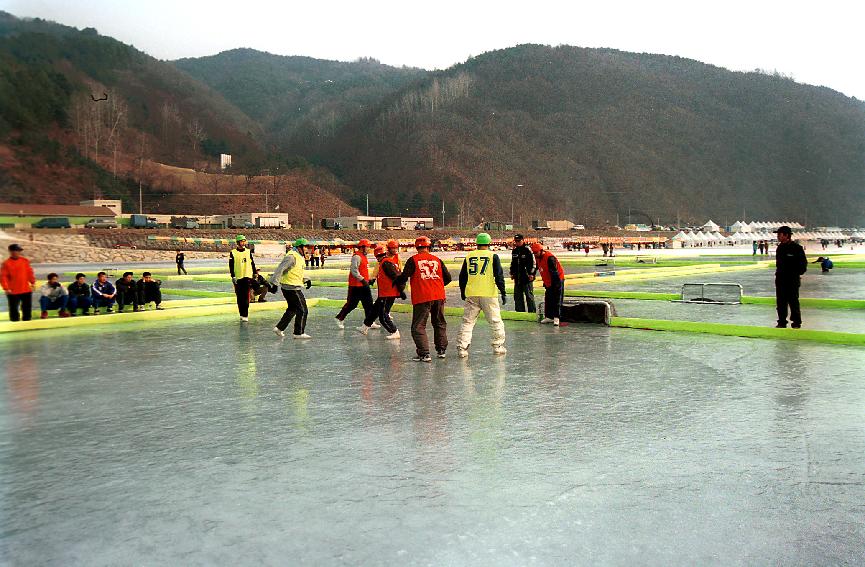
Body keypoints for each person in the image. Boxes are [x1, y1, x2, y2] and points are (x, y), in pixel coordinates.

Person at [394, 236, 452, 362]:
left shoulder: (413, 260)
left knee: (418, 326)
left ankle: (424, 353)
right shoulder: (437, 259)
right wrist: (436, 285)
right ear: (429, 246)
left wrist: (395, 281)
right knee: (439, 323)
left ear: (417, 247)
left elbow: (404, 277)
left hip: (422, 296)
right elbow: (448, 278)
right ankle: (441, 350)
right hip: (439, 296)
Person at [456, 233, 507, 358]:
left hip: (472, 294)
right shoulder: (493, 256)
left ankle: (462, 348)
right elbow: (499, 277)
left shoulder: (469, 256)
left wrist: (463, 291)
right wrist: (503, 292)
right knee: (495, 321)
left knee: (467, 322)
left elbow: (462, 277)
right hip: (488, 294)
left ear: (476, 243)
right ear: (489, 243)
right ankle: (498, 346)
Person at [269, 238, 313, 339]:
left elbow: (297, 271)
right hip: (291, 287)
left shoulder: (299, 257)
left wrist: (306, 279)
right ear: (299, 247)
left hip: (292, 286)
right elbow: (280, 269)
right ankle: (298, 333)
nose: (306, 249)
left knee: (292, 309)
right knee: (303, 310)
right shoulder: (291, 257)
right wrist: (275, 284)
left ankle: (279, 328)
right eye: (305, 246)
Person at [360, 240, 404, 339]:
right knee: (375, 309)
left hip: (388, 292)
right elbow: (377, 270)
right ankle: (365, 326)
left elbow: (397, 274)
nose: (394, 250)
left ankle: (394, 331)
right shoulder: (384, 261)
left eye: (395, 248)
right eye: (393, 248)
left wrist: (401, 290)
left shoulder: (387, 262)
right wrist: (372, 279)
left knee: (382, 314)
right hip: (385, 292)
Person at [335, 239, 378, 330]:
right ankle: (340, 318)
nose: (369, 249)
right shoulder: (357, 257)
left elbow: (363, 271)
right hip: (356, 286)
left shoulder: (364, 256)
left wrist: (368, 280)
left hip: (364, 285)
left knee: (368, 304)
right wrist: (362, 280)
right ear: (362, 247)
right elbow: (354, 271)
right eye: (367, 247)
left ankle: (369, 322)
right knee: (352, 304)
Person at [774, 225, 807, 329]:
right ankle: (782, 322)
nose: (778, 236)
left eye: (780, 234)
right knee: (780, 302)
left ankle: (796, 322)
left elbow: (803, 264)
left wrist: (795, 274)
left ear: (786, 235)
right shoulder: (780, 248)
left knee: (793, 301)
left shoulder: (797, 248)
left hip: (792, 280)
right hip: (780, 280)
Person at [531, 242, 565, 326]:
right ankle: (549, 317)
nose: (535, 255)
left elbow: (554, 273)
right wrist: (533, 274)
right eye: (534, 253)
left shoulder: (550, 258)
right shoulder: (538, 257)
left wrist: (556, 286)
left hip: (557, 280)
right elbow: (537, 267)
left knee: (557, 298)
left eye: (536, 252)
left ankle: (557, 317)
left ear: (541, 250)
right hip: (548, 281)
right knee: (548, 298)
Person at [1, 243, 36, 322]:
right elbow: (3, 277)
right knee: (13, 307)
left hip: (26, 289)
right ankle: (14, 321)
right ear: (11, 251)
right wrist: (6, 288)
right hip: (13, 291)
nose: (18, 252)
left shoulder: (25, 261)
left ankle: (27, 321)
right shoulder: (6, 263)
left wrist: (33, 282)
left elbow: (29, 272)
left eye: (19, 251)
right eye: (16, 250)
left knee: (27, 307)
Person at [229, 234, 257, 322]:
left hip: (247, 276)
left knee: (245, 297)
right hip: (238, 278)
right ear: (238, 242)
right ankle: (241, 314)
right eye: (242, 241)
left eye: (244, 241)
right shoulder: (233, 252)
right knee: (239, 298)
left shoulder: (248, 252)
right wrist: (233, 276)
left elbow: (252, 263)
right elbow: (231, 265)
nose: (243, 242)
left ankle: (245, 315)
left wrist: (255, 273)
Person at [509, 234, 536, 313]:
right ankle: (520, 312)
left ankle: (532, 313)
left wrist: (532, 274)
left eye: (519, 241)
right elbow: (513, 263)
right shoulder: (515, 250)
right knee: (517, 296)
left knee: (529, 296)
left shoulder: (528, 249)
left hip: (527, 277)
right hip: (517, 277)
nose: (517, 242)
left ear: (523, 240)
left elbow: (534, 263)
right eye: (516, 241)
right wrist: (512, 272)